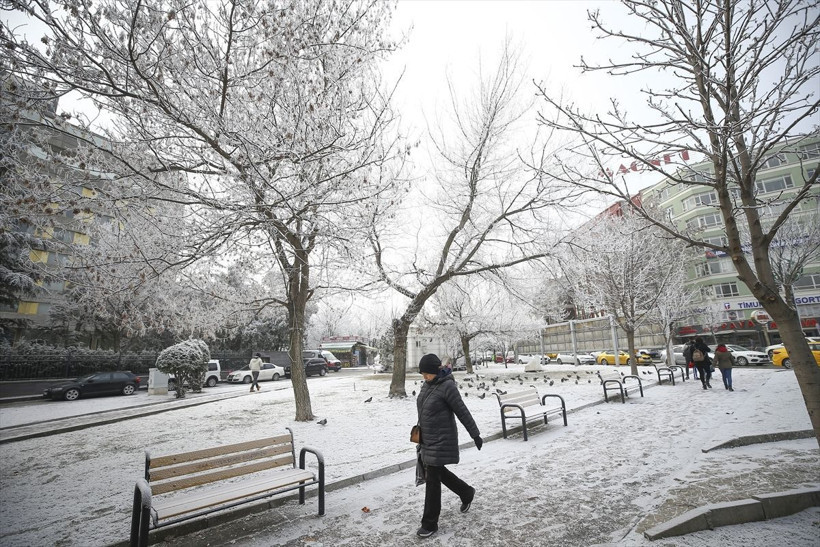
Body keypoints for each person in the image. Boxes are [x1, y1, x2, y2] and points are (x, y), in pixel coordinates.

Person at [415, 353, 482, 539]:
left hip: (442, 439)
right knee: (438, 472)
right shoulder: (427, 385)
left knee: (433, 480)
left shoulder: (448, 387)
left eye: (427, 373)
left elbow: (462, 411)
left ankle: (429, 523)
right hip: (427, 439)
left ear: (436, 370)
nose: (425, 377)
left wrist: (475, 434)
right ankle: (466, 492)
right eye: (422, 374)